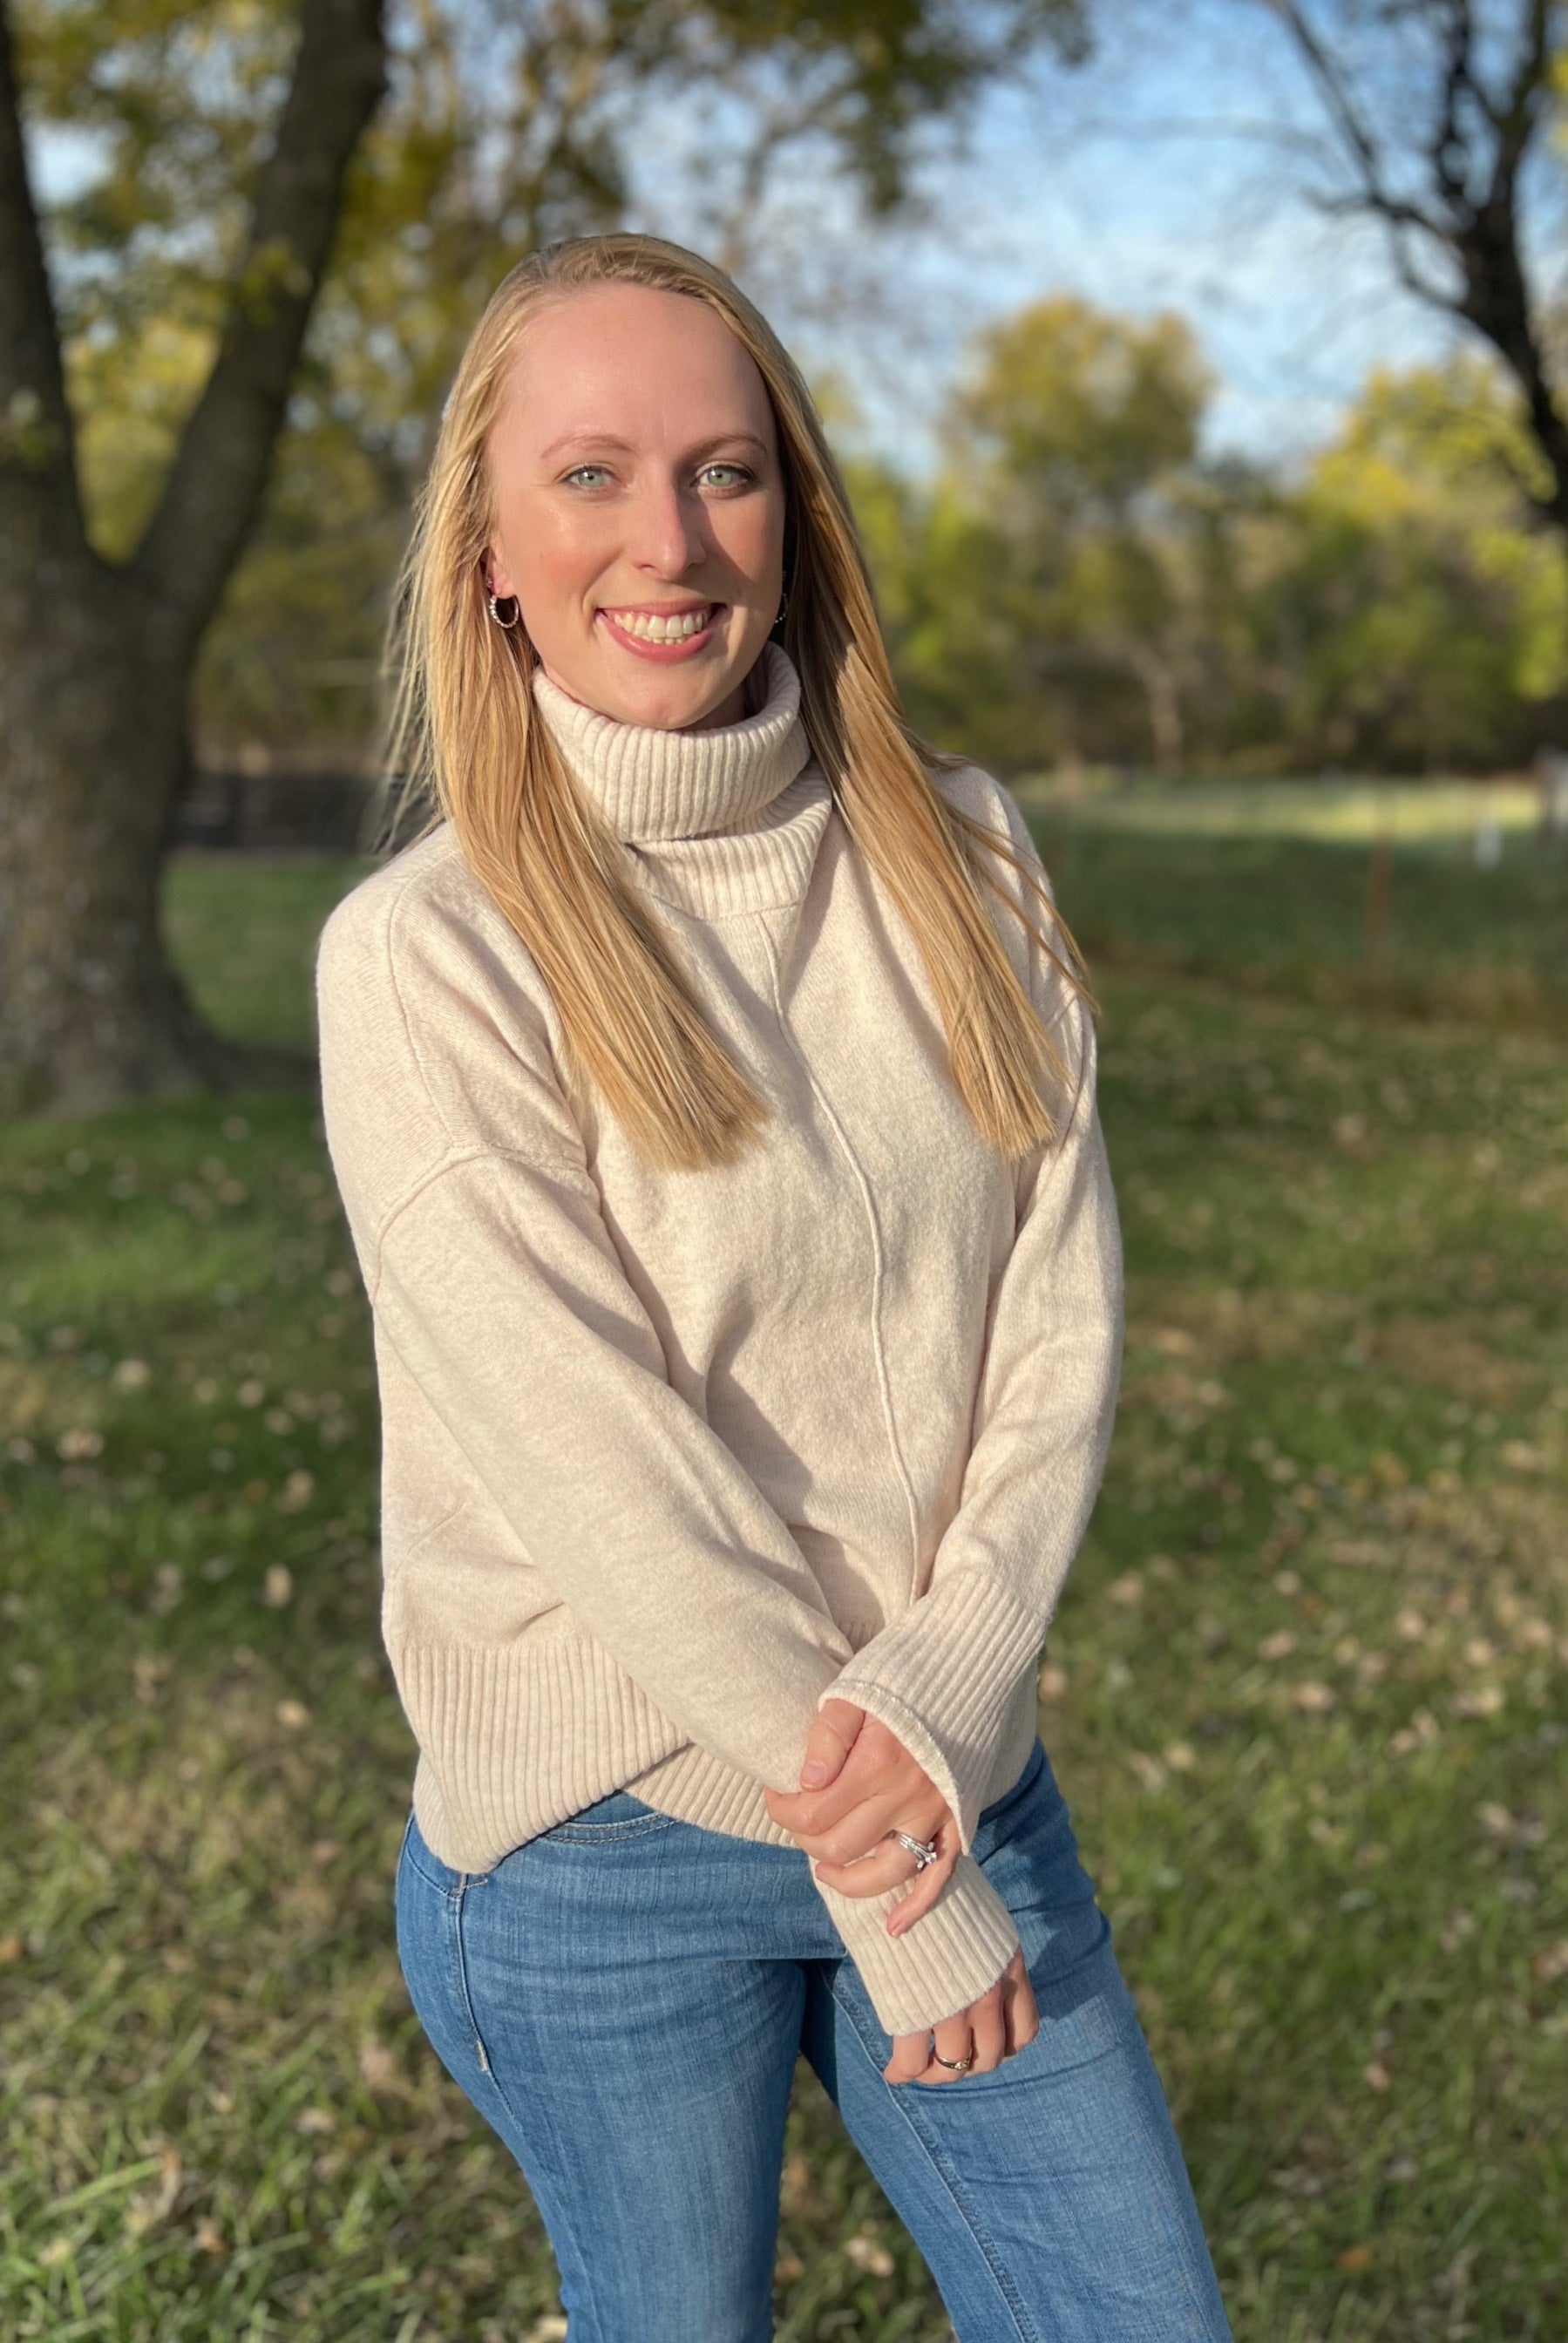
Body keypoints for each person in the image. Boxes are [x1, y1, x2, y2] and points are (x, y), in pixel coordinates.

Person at [316, 229, 1232, 2343]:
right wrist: (891, 1882)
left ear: (793, 514)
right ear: (489, 553)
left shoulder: (967, 856)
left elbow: (1058, 1322)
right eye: (593, 475)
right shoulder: (429, 958)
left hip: (952, 1764)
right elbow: (603, 1476)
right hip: (606, 1846)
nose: (670, 540)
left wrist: (945, 1702)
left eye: (724, 472)